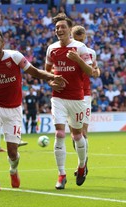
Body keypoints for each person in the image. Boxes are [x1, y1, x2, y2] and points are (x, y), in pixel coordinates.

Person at [0, 29, 67, 192]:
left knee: (12, 153)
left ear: (3, 44)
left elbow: (34, 72)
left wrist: (51, 76)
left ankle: (13, 170)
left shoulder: (14, 57)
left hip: (14, 110)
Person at [45, 13, 94, 190]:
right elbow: (47, 71)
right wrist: (51, 81)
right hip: (58, 97)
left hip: (77, 98)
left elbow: (90, 72)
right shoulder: (51, 49)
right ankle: (61, 174)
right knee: (59, 134)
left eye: (62, 27)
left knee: (77, 135)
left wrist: (78, 60)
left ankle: (82, 166)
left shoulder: (80, 48)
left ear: (69, 30)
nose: (59, 30)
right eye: (57, 27)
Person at [69, 25, 101, 177]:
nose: (79, 42)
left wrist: (96, 71)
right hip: (68, 94)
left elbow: (95, 69)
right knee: (73, 135)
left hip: (85, 94)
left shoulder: (90, 53)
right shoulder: (65, 51)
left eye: (81, 39)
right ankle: (82, 159)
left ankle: (83, 164)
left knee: (83, 132)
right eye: (76, 39)